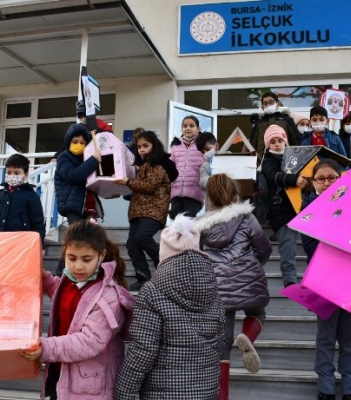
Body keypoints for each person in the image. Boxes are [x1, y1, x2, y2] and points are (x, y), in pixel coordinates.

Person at [114, 215, 225, 400]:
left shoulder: (152, 291)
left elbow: (143, 350)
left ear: (163, 254)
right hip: (206, 390)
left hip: (162, 392)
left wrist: (125, 392)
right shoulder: (213, 291)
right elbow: (219, 344)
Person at [20, 219, 133, 400]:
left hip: (90, 386)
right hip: (63, 373)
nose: (78, 266)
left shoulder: (108, 297)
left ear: (101, 256)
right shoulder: (72, 281)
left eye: (86, 259)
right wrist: (47, 280)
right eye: (72, 258)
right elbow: (69, 298)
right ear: (65, 252)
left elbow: (89, 341)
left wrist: (46, 347)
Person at [195, 174, 272, 400]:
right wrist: (253, 266)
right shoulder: (247, 218)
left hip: (218, 288)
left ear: (209, 198)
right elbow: (264, 249)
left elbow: (198, 256)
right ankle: (248, 335)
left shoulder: (200, 226)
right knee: (258, 312)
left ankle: (222, 396)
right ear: (234, 194)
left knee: (223, 344)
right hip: (249, 281)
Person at [300, 159, 351, 400]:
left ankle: (350, 387)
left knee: (349, 338)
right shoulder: (308, 210)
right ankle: (325, 388)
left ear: (341, 178)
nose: (327, 183)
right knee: (325, 337)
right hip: (323, 282)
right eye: (321, 179)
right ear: (314, 182)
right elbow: (310, 247)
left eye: (332, 177)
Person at [115, 131, 178, 292]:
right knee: (132, 244)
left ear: (154, 146)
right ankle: (143, 276)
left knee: (142, 237)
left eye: (145, 146)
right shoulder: (142, 166)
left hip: (154, 210)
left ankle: (166, 267)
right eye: (139, 147)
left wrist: (128, 182)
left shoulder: (158, 165)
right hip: (138, 211)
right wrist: (119, 188)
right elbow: (138, 187)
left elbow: (149, 186)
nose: (142, 150)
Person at [260, 125, 308, 287]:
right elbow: (273, 176)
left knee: (312, 247)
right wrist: (294, 179)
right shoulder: (268, 161)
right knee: (288, 248)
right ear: (268, 146)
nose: (277, 144)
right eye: (272, 142)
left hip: (301, 208)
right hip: (281, 211)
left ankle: (312, 280)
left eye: (280, 140)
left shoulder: (296, 158)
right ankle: (290, 282)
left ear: (285, 141)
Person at [0, 153, 46, 243]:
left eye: (17, 173)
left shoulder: (31, 195)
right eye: (9, 172)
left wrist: (39, 243)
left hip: (18, 243)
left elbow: (37, 222)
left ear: (25, 174)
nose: (12, 175)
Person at [169, 115, 206, 219]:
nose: (188, 128)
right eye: (185, 126)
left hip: (194, 191)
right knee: (175, 219)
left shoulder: (202, 145)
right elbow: (171, 167)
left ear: (198, 129)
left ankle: (189, 236)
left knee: (188, 219)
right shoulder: (175, 145)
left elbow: (207, 166)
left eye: (191, 126)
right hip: (176, 191)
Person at [250, 91, 303, 163]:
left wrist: (295, 159)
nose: (268, 105)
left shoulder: (287, 120)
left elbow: (296, 142)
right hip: (262, 162)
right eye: (265, 103)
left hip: (284, 161)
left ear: (277, 104)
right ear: (262, 107)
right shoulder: (259, 123)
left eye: (271, 102)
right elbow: (252, 146)